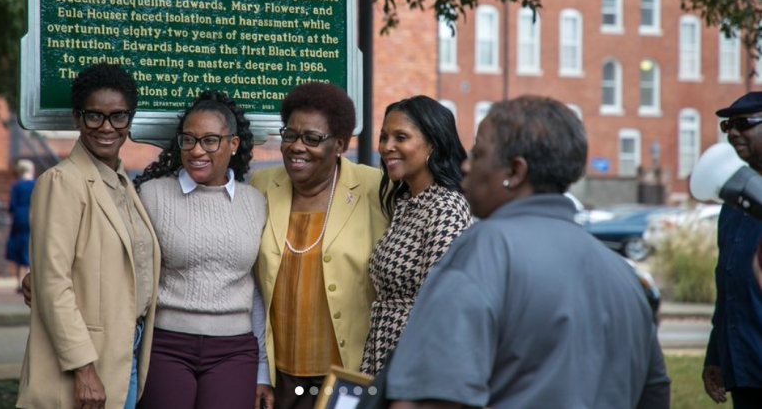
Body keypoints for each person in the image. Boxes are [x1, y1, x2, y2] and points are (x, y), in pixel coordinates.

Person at [375, 95, 670, 409]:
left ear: (514, 172)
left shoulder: (484, 250)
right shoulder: (626, 277)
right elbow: (655, 392)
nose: (465, 164)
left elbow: (428, 397)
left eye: (478, 153)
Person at [17, 63, 161, 409]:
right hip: (87, 362)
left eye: (118, 117)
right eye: (94, 116)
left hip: (126, 350)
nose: (107, 127)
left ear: (130, 119)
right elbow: (53, 283)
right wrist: (83, 369)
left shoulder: (123, 183)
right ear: (77, 118)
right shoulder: (63, 181)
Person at [251, 82, 389, 409]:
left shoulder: (375, 189)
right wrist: (259, 372)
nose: (297, 146)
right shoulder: (262, 185)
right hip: (279, 375)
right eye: (290, 135)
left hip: (347, 376)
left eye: (312, 138)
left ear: (339, 144)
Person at [132, 90, 273, 409]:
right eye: (189, 140)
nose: (197, 150)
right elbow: (129, 270)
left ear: (232, 144)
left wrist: (263, 369)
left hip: (234, 350)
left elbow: (255, 292)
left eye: (210, 140)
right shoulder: (153, 196)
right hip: (166, 344)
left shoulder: (255, 202)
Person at [360, 95, 471, 376]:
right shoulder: (408, 203)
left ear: (433, 144)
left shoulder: (445, 208)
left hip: (415, 361)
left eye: (401, 137)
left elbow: (443, 309)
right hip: (386, 352)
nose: (387, 147)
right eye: (384, 137)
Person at [703, 92, 762, 408]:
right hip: (745, 371)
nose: (733, 133)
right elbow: (729, 287)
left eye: (744, 123)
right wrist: (717, 355)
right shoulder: (734, 203)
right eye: (728, 126)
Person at [5, 159, 35, 290]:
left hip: (19, 218)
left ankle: (19, 282)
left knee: (19, 247)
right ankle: (31, 281)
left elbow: (11, 205)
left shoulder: (16, 185)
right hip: (34, 216)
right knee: (32, 247)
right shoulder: (36, 183)